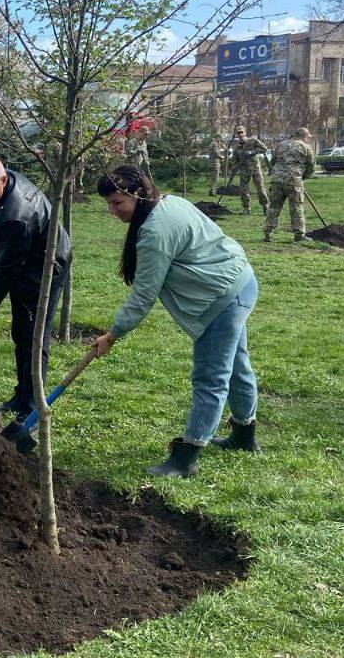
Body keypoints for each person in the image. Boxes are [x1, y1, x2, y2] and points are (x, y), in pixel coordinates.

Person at [92, 165, 260, 478]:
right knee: (237, 365)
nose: (113, 211)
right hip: (240, 280)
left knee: (210, 377)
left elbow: (144, 295)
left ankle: (185, 459)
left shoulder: (155, 232)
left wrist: (113, 335)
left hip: (221, 299)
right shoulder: (170, 201)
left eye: (118, 203)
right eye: (109, 204)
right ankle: (244, 436)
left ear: (138, 195)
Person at [0, 156, 72, 420]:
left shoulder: (16, 217)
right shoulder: (2, 181)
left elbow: (9, 267)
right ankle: (22, 394)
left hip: (45, 264)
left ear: (3, 181)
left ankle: (32, 405)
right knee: (20, 332)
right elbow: (4, 248)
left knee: (33, 335)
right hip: (25, 250)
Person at [265, 127, 315, 242]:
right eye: (308, 137)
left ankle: (268, 233)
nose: (308, 139)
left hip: (276, 180)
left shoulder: (280, 145)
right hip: (294, 181)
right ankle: (299, 235)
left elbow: (272, 162)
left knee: (274, 207)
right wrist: (302, 178)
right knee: (296, 207)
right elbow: (311, 167)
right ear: (304, 136)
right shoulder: (306, 148)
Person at [230, 126, 269, 215]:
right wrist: (233, 170)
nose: (240, 135)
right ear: (236, 135)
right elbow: (234, 161)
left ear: (245, 133)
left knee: (260, 187)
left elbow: (264, 149)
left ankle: (265, 207)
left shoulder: (253, 141)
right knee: (243, 189)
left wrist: (253, 152)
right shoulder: (236, 147)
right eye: (238, 133)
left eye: (241, 132)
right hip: (244, 170)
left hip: (255, 168)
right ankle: (246, 208)